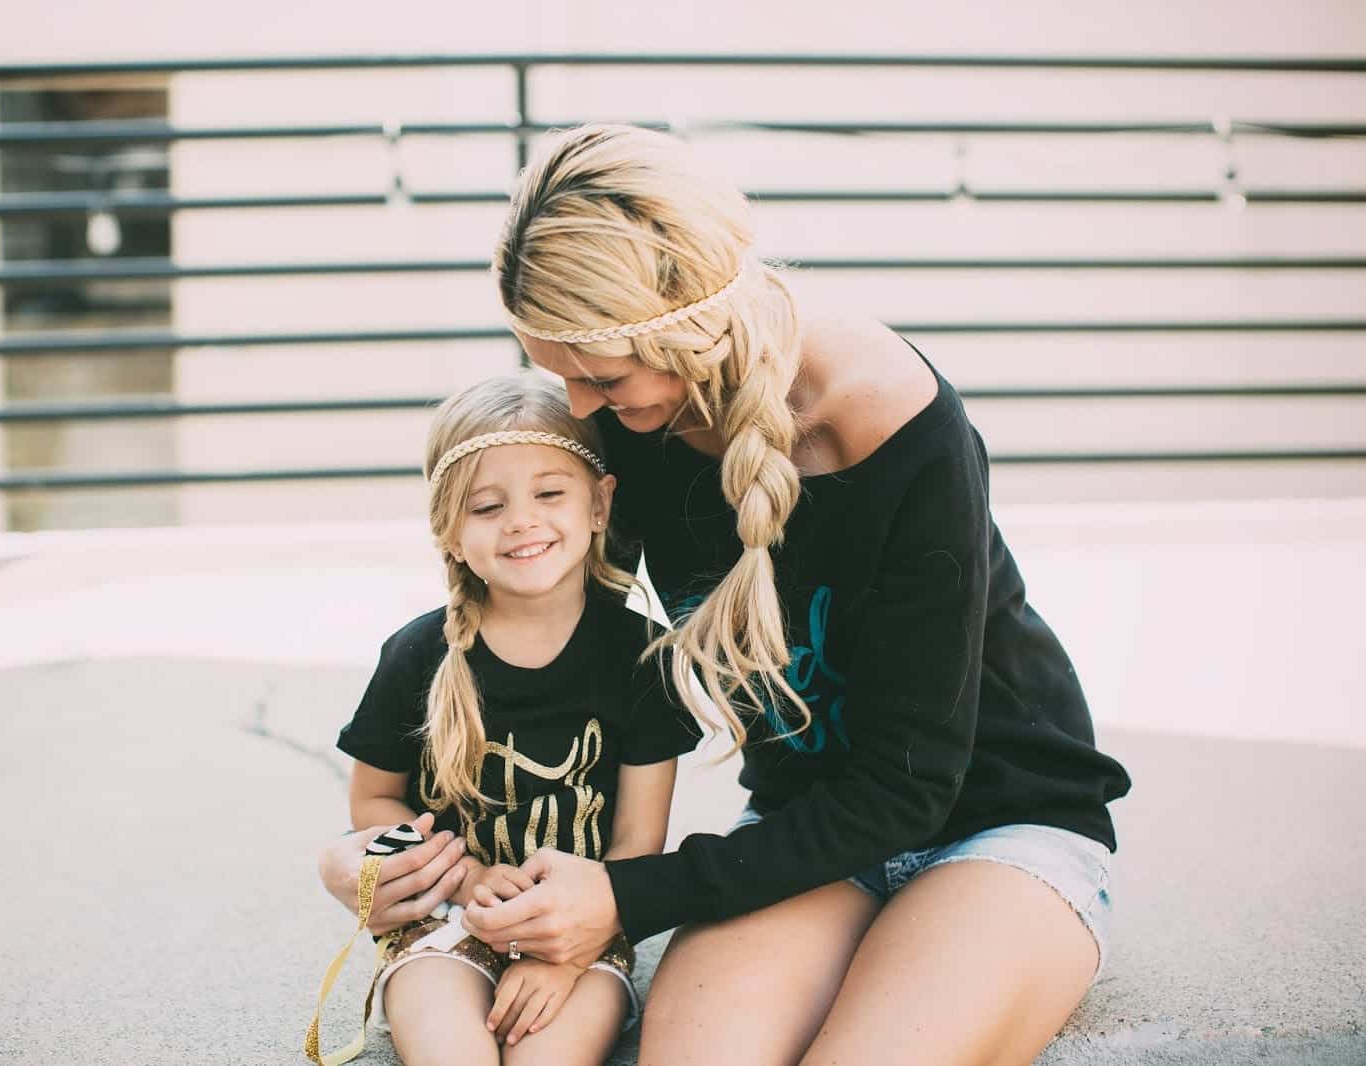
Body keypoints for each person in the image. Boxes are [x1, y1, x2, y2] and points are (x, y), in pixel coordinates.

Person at [324, 122, 1133, 1066]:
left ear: (688, 321)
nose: (581, 410)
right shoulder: (633, 414)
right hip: (801, 827)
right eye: (561, 378)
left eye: (603, 377)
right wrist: (369, 855)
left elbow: (908, 783)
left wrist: (629, 899)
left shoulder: (893, 418)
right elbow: (525, 645)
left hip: (1002, 817)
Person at [326, 372, 700, 1066]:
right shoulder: (420, 654)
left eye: (550, 493)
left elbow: (636, 844)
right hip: (445, 922)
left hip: (581, 931)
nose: (523, 521)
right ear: (449, 530)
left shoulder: (643, 657)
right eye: (488, 505)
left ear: (599, 504)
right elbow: (373, 799)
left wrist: (564, 955)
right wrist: (463, 882)